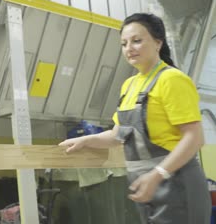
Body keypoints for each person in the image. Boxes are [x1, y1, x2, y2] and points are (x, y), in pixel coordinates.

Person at [59, 13, 211, 224]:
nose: (129, 48)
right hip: (145, 185)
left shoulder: (172, 79)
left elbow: (194, 138)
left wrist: (157, 174)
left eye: (137, 41)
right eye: (124, 43)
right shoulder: (129, 85)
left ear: (158, 43)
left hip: (176, 182)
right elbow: (117, 134)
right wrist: (85, 140)